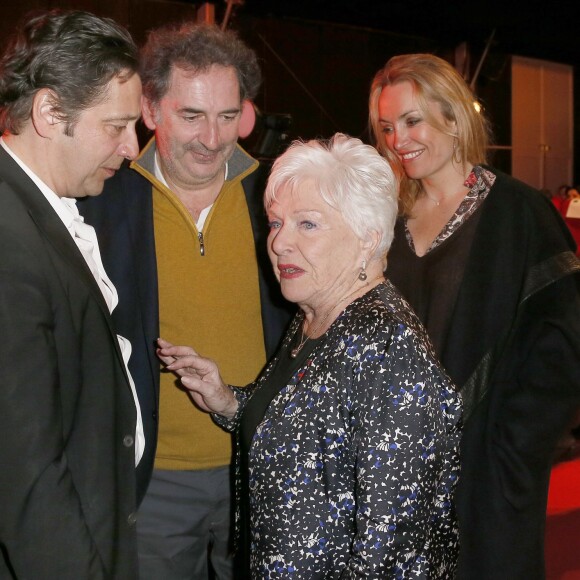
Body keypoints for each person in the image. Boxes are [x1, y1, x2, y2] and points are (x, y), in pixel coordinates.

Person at [157, 133, 463, 578]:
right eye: (276, 223)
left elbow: (392, 551)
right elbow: (305, 437)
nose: (279, 243)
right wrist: (226, 400)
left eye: (307, 224)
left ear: (367, 238)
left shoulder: (386, 348)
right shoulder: (313, 317)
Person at [79, 22, 291, 580]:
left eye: (227, 116)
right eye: (191, 115)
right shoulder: (102, 199)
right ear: (151, 109)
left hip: (261, 466)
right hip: (152, 482)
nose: (212, 138)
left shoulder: (278, 196)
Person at [369, 53, 580, 579]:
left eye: (413, 121)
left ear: (454, 116)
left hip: (488, 474)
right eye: (387, 127)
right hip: (393, 473)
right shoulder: (382, 216)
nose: (399, 140)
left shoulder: (519, 212)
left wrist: (513, 445)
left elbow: (563, 344)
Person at [0, 9, 143, 579]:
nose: (132, 147)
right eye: (116, 126)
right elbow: (26, 474)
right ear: (49, 111)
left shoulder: (42, 210)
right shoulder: (8, 240)